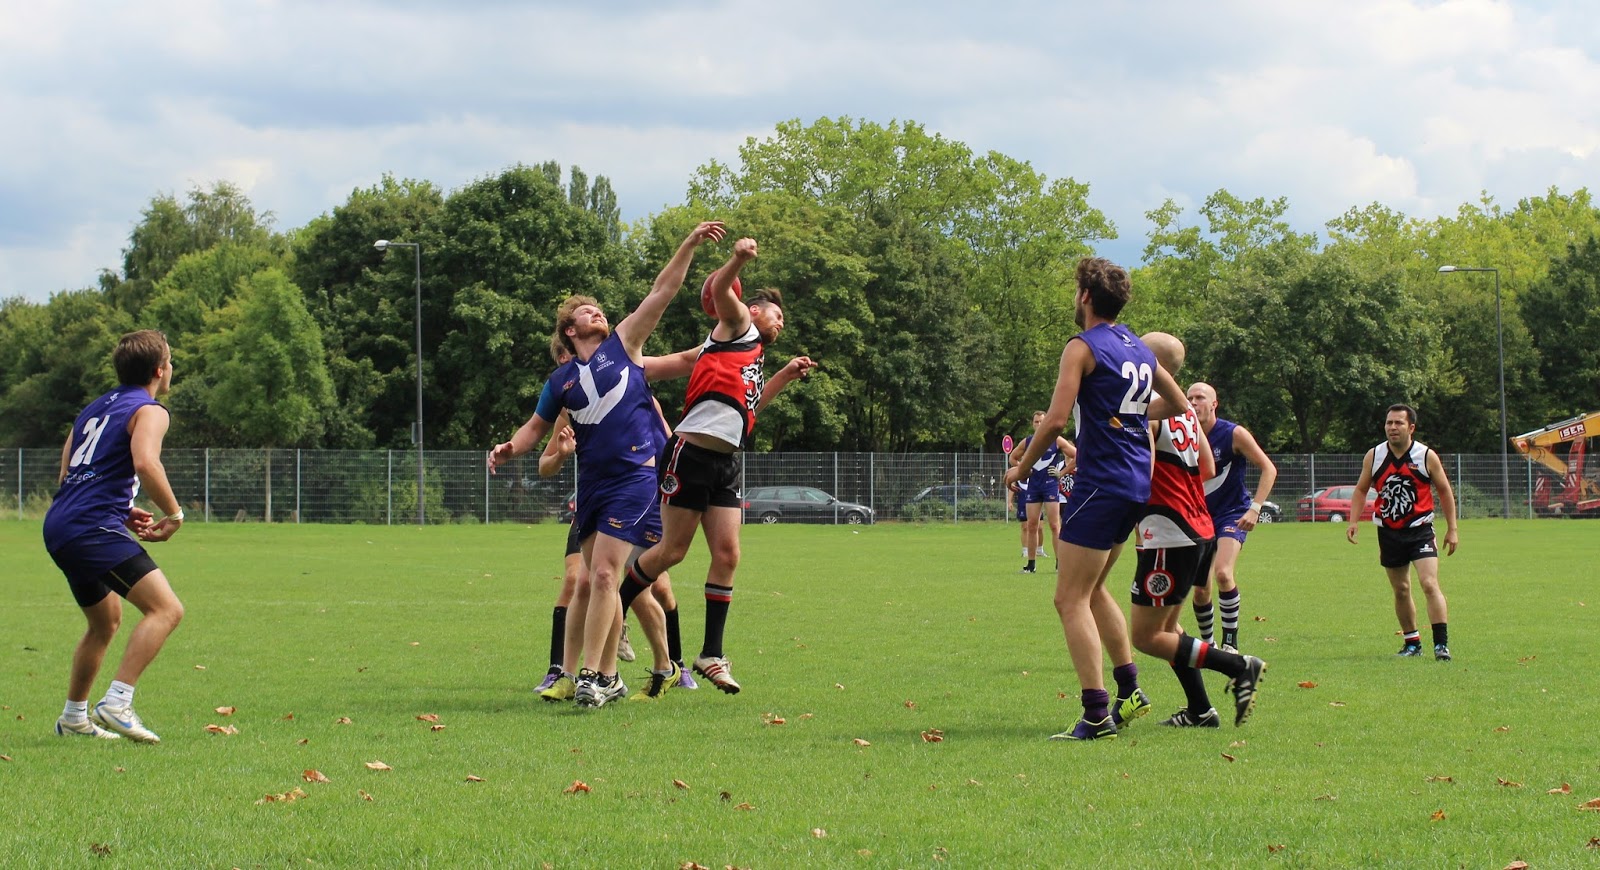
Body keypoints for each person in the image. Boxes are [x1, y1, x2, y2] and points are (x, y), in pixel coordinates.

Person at [489, 220, 727, 708]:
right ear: (570, 331)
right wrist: (510, 448)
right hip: (593, 487)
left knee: (603, 576)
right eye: (585, 312)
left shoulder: (624, 344)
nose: (596, 312)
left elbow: (662, 290)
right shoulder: (560, 382)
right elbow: (534, 429)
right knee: (599, 580)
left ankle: (596, 676)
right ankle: (622, 674)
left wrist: (688, 243)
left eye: (598, 309)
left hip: (636, 478)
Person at [1003, 257, 1191, 741]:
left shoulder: (1082, 346)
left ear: (1085, 296)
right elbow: (1179, 404)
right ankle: (1130, 689)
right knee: (1095, 588)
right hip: (1135, 484)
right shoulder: (1138, 347)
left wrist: (1020, 470)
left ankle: (1095, 714)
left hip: (1102, 483)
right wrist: (1129, 416)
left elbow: (1054, 421)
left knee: (1068, 598)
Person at [620, 236, 816, 695]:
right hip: (690, 453)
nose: (781, 322)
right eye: (777, 314)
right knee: (672, 552)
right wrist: (737, 259)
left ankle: (710, 654)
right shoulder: (739, 324)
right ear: (754, 309)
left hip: (725, 461)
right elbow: (720, 288)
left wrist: (784, 376)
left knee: (727, 555)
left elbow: (748, 411)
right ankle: (618, 607)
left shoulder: (752, 356)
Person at [43, 329, 187, 743]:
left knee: (105, 622)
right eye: (170, 361)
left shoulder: (92, 410)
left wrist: (121, 511)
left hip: (61, 524)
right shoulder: (150, 410)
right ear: (159, 370)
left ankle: (74, 717)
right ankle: (117, 702)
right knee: (166, 610)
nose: (171, 367)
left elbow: (69, 474)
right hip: (90, 527)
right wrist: (174, 514)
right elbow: (145, 463)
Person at [532, 335, 694, 696]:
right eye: (564, 363)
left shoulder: (632, 385)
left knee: (643, 588)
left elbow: (668, 435)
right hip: (595, 499)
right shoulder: (568, 407)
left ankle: (668, 664)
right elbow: (545, 464)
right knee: (586, 581)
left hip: (640, 493)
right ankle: (572, 674)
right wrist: (562, 454)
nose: (572, 369)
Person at [1128, 334, 1266, 729]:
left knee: (1146, 638)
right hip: (1199, 528)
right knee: (1170, 629)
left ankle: (1239, 665)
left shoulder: (1147, 411)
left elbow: (1141, 476)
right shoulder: (1186, 412)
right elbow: (1206, 468)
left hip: (1167, 533)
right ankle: (1201, 710)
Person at [1347, 404, 1459, 661]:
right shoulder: (1374, 455)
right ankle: (1412, 644)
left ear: (1411, 428)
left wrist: (1452, 528)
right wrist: (1353, 521)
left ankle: (1441, 645)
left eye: (1398, 423)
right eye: (1389, 423)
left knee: (1429, 583)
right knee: (1401, 589)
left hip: (1420, 529)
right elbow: (1361, 490)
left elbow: (1444, 491)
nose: (1392, 427)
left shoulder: (1425, 456)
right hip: (1389, 532)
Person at [1186, 382, 1278, 652]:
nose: (1193, 402)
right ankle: (1208, 645)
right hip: (1199, 517)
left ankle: (1230, 644)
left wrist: (1255, 508)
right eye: (1189, 397)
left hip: (1231, 514)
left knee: (1223, 573)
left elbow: (1268, 468)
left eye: (1200, 397)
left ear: (1214, 404)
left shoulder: (1233, 433)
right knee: (1200, 589)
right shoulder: (1182, 434)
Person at [1010, 411, 1076, 574]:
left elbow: (1078, 455)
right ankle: (1031, 565)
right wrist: (1023, 470)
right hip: (1033, 486)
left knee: (1055, 525)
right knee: (1032, 525)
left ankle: (1060, 564)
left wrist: (1062, 472)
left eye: (1042, 421)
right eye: (1036, 422)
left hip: (1050, 486)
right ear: (1032, 424)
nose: (1039, 424)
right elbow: (1013, 457)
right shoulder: (1028, 442)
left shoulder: (1056, 440)